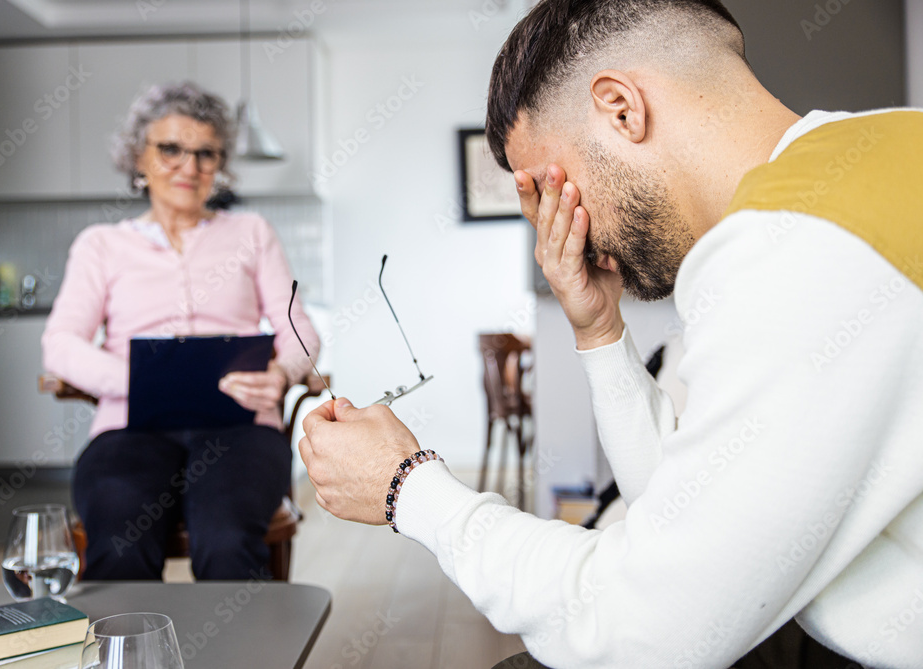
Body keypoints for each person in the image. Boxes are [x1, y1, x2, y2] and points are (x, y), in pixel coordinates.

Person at [298, 1, 923, 667]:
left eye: (549, 185)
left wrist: (407, 487)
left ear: (622, 108)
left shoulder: (797, 242)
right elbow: (691, 517)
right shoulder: (875, 165)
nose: (562, 224)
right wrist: (600, 331)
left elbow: (646, 631)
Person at [43, 81, 320, 581]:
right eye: (171, 149)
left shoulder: (251, 233)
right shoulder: (101, 245)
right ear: (138, 157)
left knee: (227, 536)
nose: (189, 167)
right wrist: (135, 381)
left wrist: (280, 374)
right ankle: (129, 656)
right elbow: (59, 343)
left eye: (205, 154)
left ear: (220, 164)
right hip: (130, 427)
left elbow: (300, 332)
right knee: (120, 538)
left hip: (240, 426)